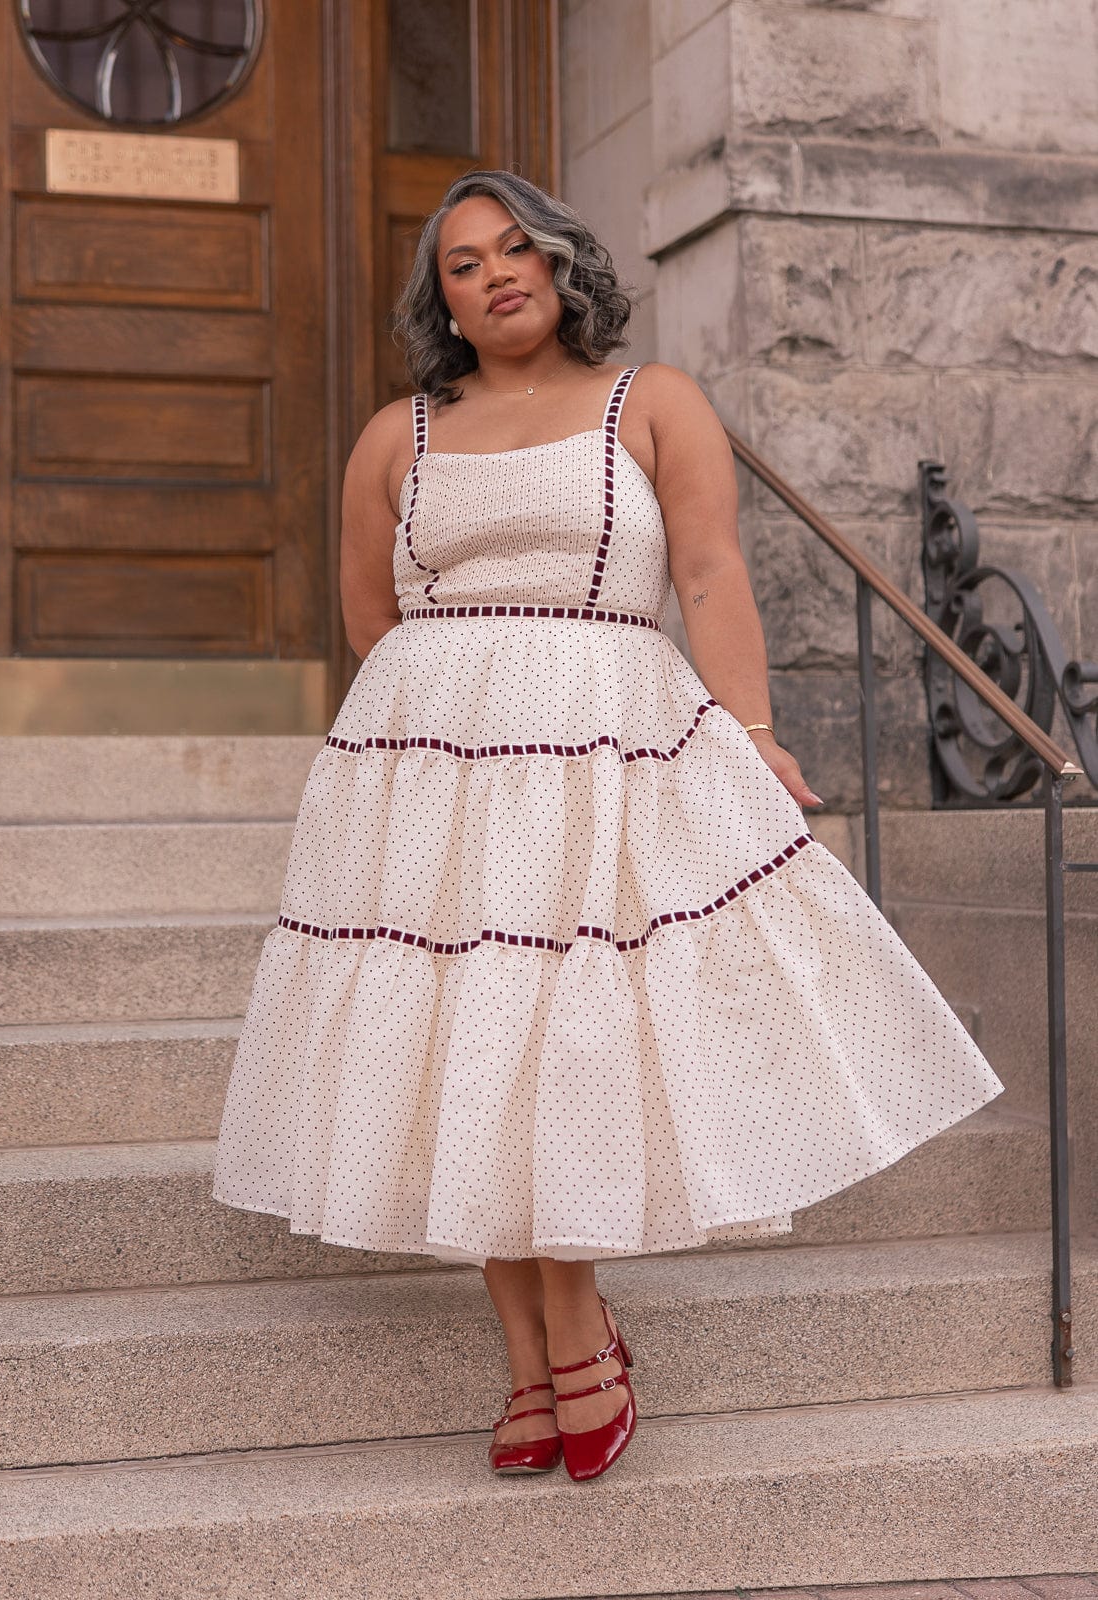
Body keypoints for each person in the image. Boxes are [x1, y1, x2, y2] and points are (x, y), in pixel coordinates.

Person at [211, 170, 1005, 1484]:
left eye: (517, 247)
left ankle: (561, 1340)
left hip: (599, 737)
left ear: (566, 262)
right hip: (435, 758)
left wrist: (751, 736)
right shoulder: (391, 435)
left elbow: (707, 572)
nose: (495, 274)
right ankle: (541, 1356)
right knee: (466, 1031)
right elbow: (368, 618)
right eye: (463, 264)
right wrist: (435, 730)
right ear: (443, 302)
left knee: (542, 1026)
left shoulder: (655, 403)